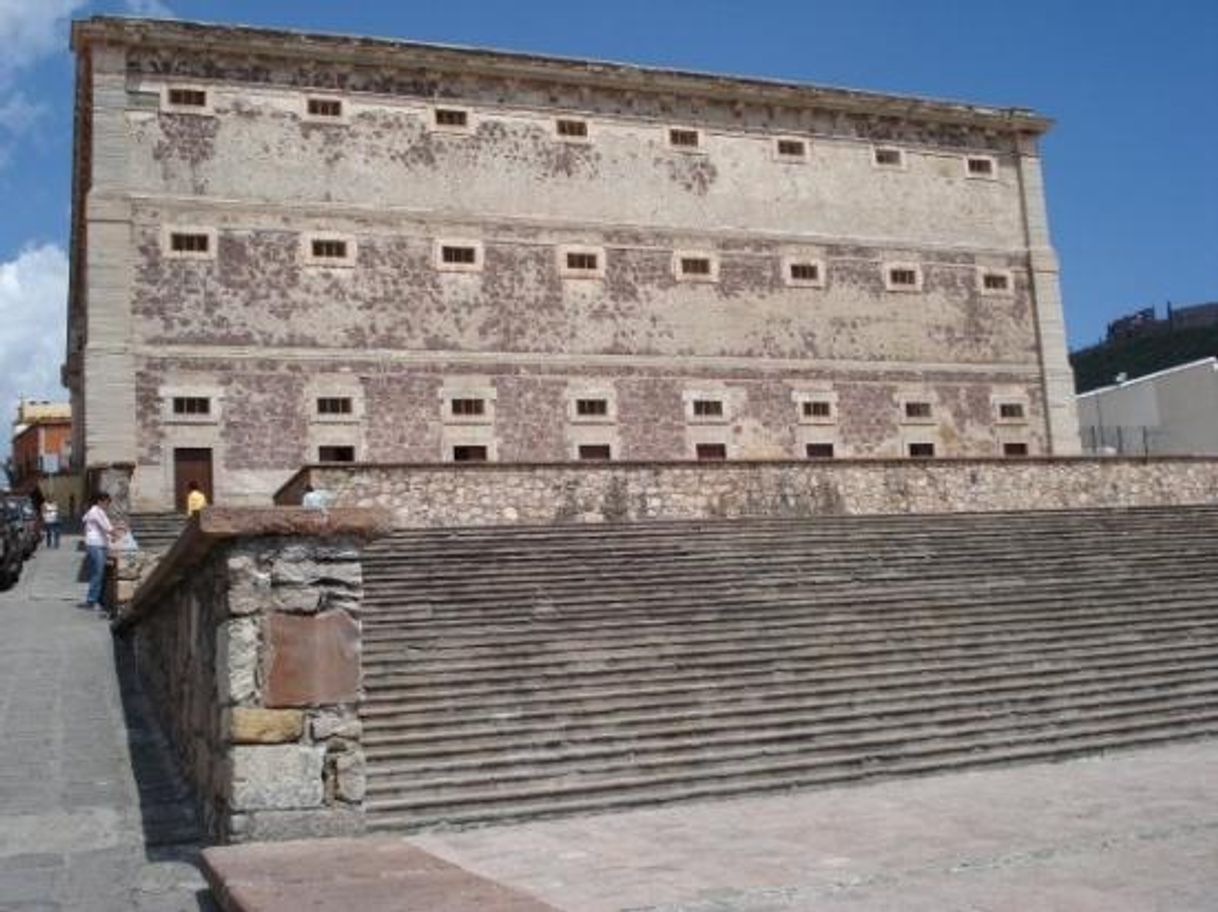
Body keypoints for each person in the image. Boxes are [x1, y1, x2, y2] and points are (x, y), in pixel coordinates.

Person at [81, 492, 115, 612]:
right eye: (107, 502)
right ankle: (92, 601)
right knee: (97, 573)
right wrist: (119, 533)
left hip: (99, 545)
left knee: (99, 573)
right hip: (96, 545)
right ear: (101, 501)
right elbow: (107, 528)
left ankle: (97, 599)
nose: (108, 505)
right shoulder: (95, 512)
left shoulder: (98, 512)